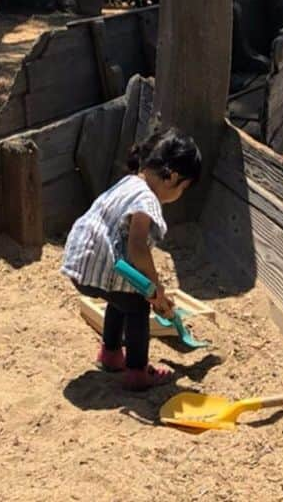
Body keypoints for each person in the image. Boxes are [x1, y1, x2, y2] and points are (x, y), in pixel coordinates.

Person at [61, 129, 202, 390]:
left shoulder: (129, 182)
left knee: (120, 296)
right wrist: (155, 285)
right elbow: (137, 247)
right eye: (183, 188)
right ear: (171, 177)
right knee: (137, 305)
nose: (180, 195)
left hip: (80, 263)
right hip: (101, 267)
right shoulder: (147, 200)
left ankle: (111, 354)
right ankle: (137, 372)